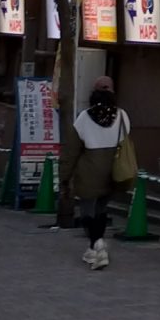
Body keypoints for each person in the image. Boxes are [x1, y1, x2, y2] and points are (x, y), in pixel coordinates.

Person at [59, 79, 132, 269]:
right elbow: (125, 139)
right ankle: (94, 248)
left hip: (89, 168)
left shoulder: (84, 116)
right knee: (101, 209)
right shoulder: (122, 115)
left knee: (86, 211)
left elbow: (72, 150)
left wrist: (64, 177)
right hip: (112, 168)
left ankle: (97, 245)